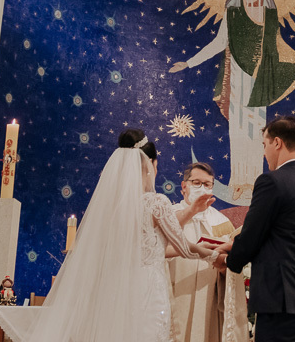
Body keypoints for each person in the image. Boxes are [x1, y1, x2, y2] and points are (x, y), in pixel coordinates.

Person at [20, 129, 222, 342]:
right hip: (148, 290)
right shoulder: (156, 202)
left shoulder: (113, 208)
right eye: (156, 164)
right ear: (149, 165)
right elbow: (183, 247)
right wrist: (211, 254)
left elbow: (158, 239)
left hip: (117, 289)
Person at [169, 0, 295, 205]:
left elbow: (278, 44)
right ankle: (238, 183)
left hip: (259, 78)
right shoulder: (232, 10)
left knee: (257, 131)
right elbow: (219, 43)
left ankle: (255, 182)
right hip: (238, 77)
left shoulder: (268, 8)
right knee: (238, 129)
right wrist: (189, 62)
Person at [223, 116, 295, 342]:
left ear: (277, 143)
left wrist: (230, 259)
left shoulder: (271, 182)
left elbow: (252, 234)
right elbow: (286, 237)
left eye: (264, 144)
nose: (264, 152)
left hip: (282, 305)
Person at [168, 162, 249, 342]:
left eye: (207, 184)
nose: (202, 188)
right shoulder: (170, 216)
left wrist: (224, 268)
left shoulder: (221, 221)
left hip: (209, 299)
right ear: (184, 186)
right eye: (196, 183)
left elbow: (229, 265)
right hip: (176, 292)